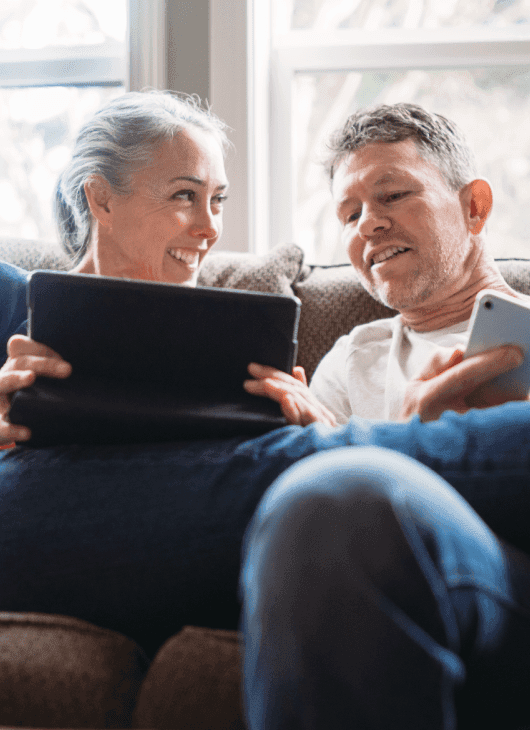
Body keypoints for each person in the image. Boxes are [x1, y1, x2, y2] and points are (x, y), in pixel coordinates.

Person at [0, 94, 526, 672]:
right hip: (56, 508)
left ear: (474, 207)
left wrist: (319, 446)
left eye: (393, 194)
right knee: (328, 484)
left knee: (327, 494)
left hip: (195, 531)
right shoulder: (12, 296)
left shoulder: (214, 340)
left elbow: (284, 477)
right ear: (100, 198)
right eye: (184, 194)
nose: (210, 228)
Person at [239, 104, 530, 730]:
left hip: (508, 576)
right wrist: (316, 443)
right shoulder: (353, 356)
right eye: (348, 214)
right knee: (326, 501)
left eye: (392, 193)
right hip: (383, 556)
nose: (368, 223)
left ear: (474, 207)